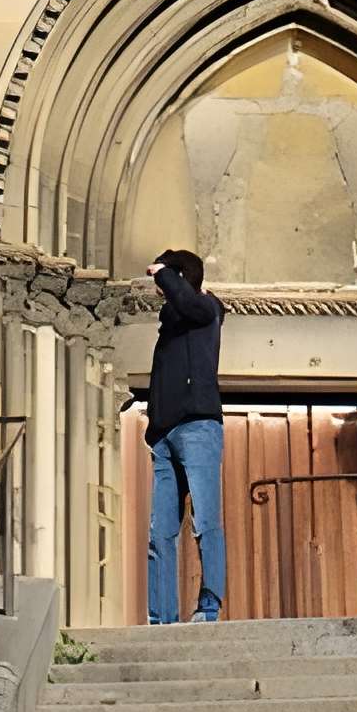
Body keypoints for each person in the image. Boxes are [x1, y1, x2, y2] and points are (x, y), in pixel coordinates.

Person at [144, 247, 225, 625]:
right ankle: (161, 617)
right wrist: (153, 430)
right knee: (160, 533)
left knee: (204, 521)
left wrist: (163, 271)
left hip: (197, 428)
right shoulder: (173, 323)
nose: (159, 289)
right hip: (164, 436)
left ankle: (209, 606)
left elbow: (189, 301)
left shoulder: (205, 310)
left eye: (164, 281)